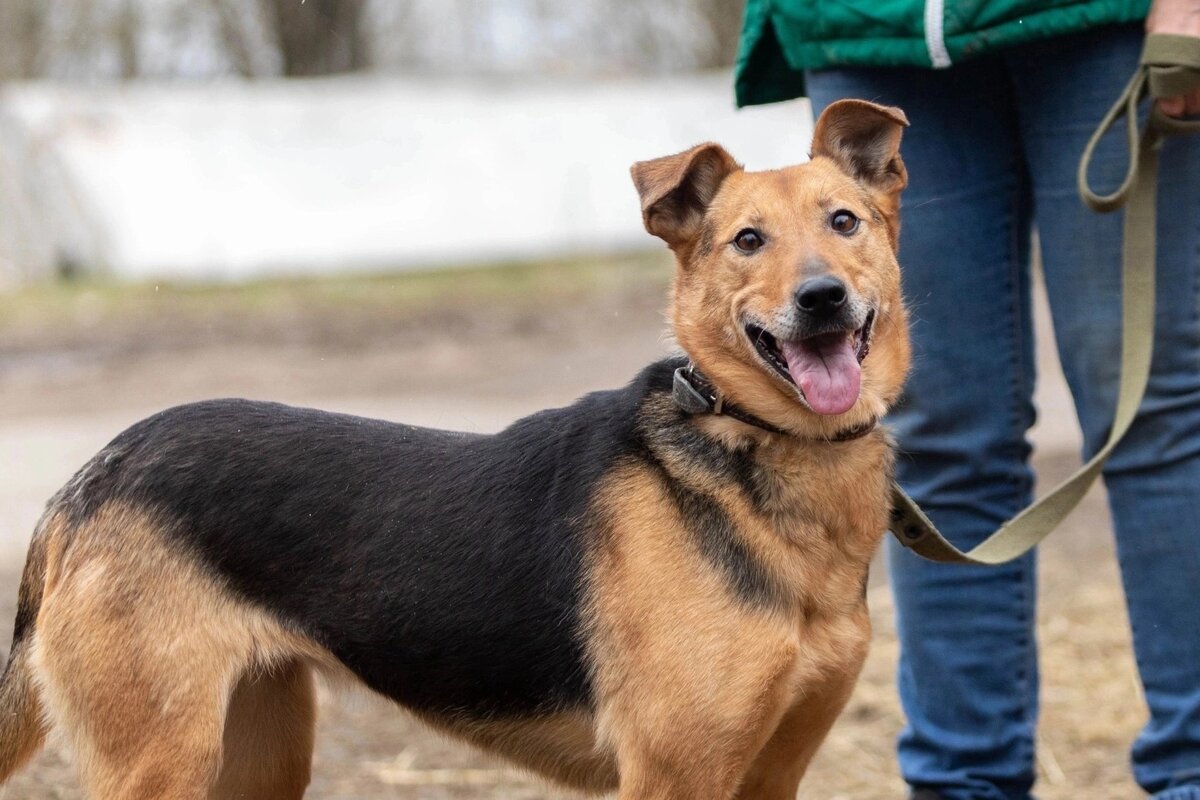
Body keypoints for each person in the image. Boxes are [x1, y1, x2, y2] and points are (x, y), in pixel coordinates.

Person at [735, 1, 1200, 798]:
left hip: (1106, 22)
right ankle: (963, 783)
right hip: (865, 24)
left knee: (1155, 417)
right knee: (939, 438)